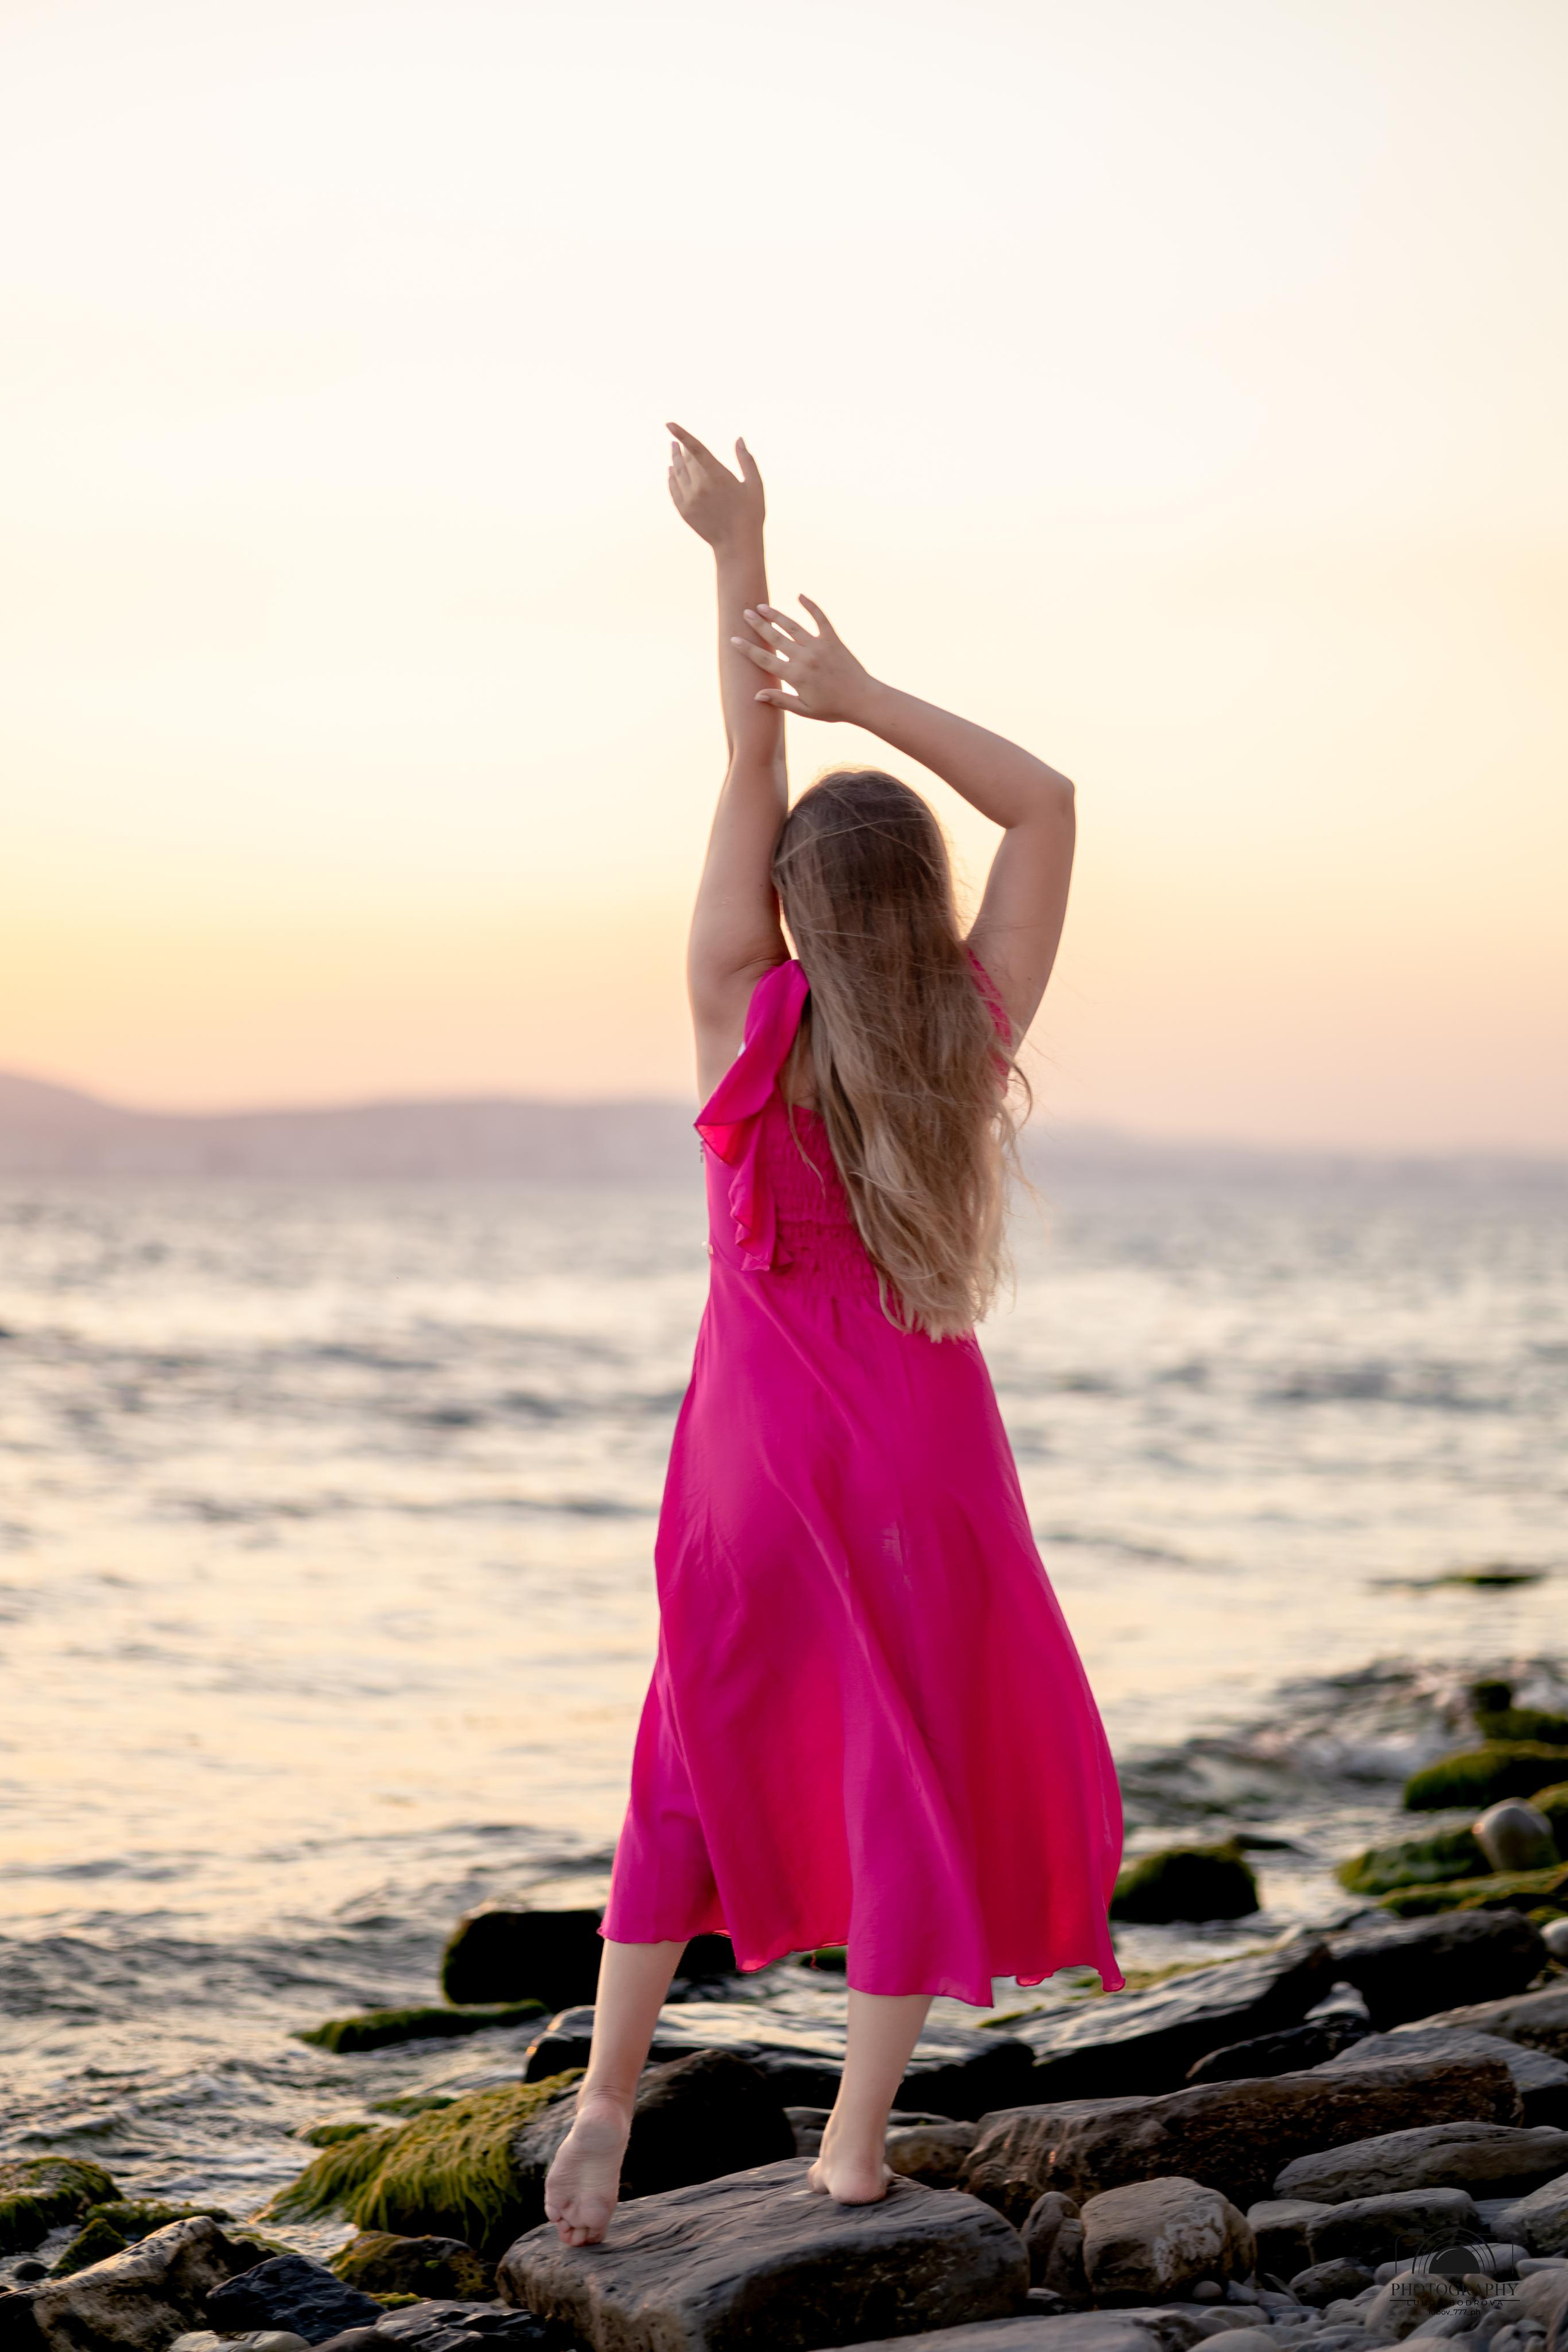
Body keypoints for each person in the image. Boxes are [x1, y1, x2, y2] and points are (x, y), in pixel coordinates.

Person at [543, 427, 1123, 2247]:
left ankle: (604, 2111)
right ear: (929, 900)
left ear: (790, 905)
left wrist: (739, 550)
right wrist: (869, 696)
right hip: (927, 1460)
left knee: (685, 1749)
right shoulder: (971, 1021)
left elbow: (746, 759)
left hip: (753, 1464)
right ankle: (854, 2148)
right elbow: (1049, 802)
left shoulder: (742, 1010)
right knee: (906, 1761)